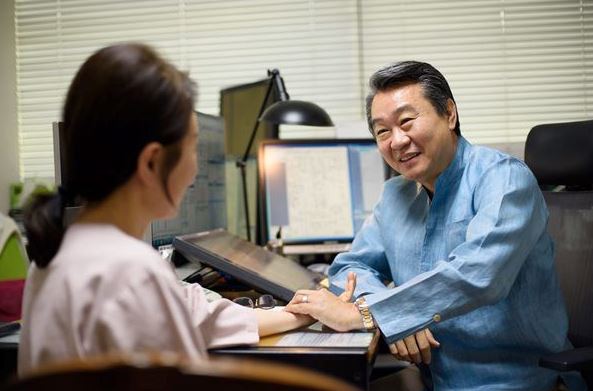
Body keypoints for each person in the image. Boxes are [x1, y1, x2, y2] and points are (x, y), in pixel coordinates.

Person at [18, 43, 339, 375]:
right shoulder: (134, 271)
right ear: (152, 162)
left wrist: (291, 315)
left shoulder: (54, 255)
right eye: (192, 146)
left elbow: (190, 314)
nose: (196, 169)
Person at [286, 61, 585, 390]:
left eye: (407, 121)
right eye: (382, 131)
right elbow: (349, 267)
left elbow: (479, 276)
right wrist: (401, 318)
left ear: (449, 114)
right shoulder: (395, 194)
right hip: (431, 378)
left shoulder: (504, 178)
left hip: (515, 379)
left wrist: (370, 314)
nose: (396, 141)